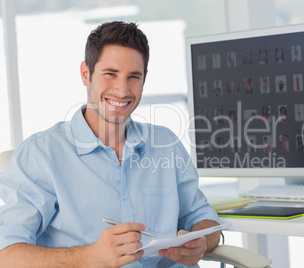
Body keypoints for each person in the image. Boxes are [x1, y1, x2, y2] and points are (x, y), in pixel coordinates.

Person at [0, 21, 221, 267]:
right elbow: (7, 254)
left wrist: (201, 242)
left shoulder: (166, 144)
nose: (122, 90)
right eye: (110, 74)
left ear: (144, 78)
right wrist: (89, 257)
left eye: (133, 77)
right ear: (86, 73)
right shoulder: (41, 154)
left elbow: (205, 220)